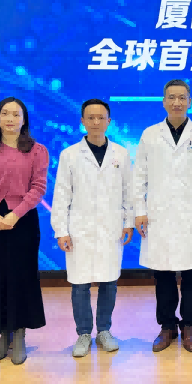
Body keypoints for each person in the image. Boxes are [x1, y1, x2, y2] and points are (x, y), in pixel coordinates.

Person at [134, 79, 192, 353]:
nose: (177, 102)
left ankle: (189, 326)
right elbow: (139, 176)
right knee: (163, 274)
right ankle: (167, 325)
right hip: (159, 214)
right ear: (164, 101)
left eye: (182, 97)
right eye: (172, 97)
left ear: (190, 101)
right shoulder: (150, 134)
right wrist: (140, 210)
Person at [50, 99, 134, 358]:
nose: (96, 122)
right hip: (80, 229)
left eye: (101, 118)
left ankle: (104, 331)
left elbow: (128, 191)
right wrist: (61, 230)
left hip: (111, 227)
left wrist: (129, 221)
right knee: (80, 284)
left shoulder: (121, 154)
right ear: (82, 122)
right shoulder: (69, 155)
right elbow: (61, 194)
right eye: (91, 118)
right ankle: (84, 333)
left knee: (109, 282)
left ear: (109, 121)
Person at [0, 97, 48, 365]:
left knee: (21, 276)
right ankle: (3, 336)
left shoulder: (37, 151)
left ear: (24, 119)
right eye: (5, 113)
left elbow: (38, 188)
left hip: (23, 221)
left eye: (16, 114)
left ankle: (20, 334)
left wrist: (15, 214)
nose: (10, 119)